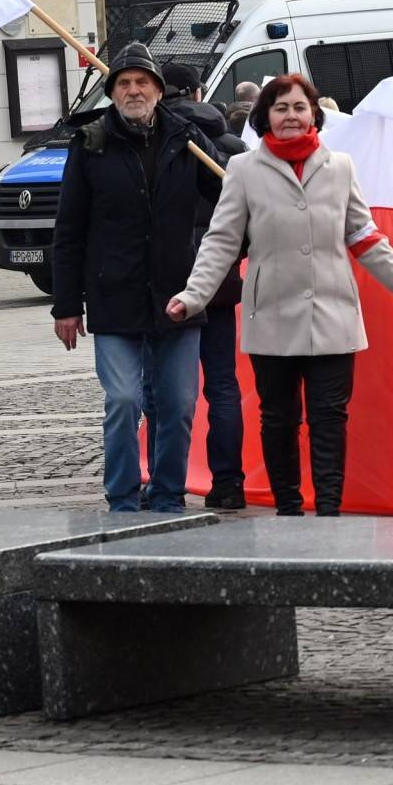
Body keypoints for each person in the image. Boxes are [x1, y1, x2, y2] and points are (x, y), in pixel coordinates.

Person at [168, 74, 393, 516]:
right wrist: (194, 295)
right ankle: (289, 510)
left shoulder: (341, 167)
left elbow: (364, 236)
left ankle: (329, 511)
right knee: (278, 419)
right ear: (265, 118)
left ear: (313, 114)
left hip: (333, 315)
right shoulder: (243, 170)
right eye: (281, 109)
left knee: (329, 419)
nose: (291, 116)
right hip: (271, 317)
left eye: (299, 107)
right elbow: (220, 242)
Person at [52, 42, 224, 513]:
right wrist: (66, 305)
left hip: (179, 295)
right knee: (125, 400)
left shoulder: (186, 138)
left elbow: (231, 197)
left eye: (141, 83)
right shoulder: (90, 144)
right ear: (112, 92)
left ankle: (168, 493)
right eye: (124, 83)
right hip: (114, 295)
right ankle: (123, 496)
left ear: (158, 91)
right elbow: (68, 230)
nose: (133, 91)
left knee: (179, 404)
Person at [160, 63, 249, 510]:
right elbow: (248, 220)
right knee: (222, 385)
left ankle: (164, 484)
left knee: (162, 388)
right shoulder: (232, 147)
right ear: (198, 91)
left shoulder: (155, 140)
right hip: (219, 285)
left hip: (169, 285)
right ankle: (229, 483)